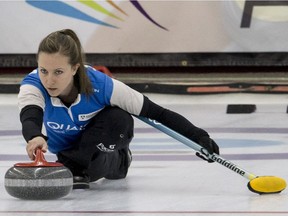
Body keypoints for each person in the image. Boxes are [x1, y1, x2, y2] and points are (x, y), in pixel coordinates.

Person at [18, 29, 220, 189]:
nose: (49, 80)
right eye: (43, 70)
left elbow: (157, 113)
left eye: (58, 72)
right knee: (86, 167)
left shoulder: (103, 85)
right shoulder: (33, 84)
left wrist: (199, 136)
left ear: (75, 68)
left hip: (100, 147)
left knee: (117, 119)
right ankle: (74, 166)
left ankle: (119, 160)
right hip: (67, 152)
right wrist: (34, 136)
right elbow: (30, 115)